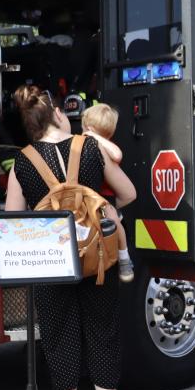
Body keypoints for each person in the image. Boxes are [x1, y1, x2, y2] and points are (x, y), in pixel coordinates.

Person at [5, 85, 137, 390]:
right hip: (98, 260)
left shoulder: (23, 161)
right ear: (59, 113)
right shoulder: (91, 148)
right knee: (103, 333)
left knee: (59, 339)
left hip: (51, 263)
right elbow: (128, 193)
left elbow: (15, 217)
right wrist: (108, 211)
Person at [80, 103, 134, 283]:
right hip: (89, 198)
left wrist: (94, 136)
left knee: (113, 219)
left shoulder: (105, 146)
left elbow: (117, 155)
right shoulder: (83, 143)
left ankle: (124, 257)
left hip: (104, 199)